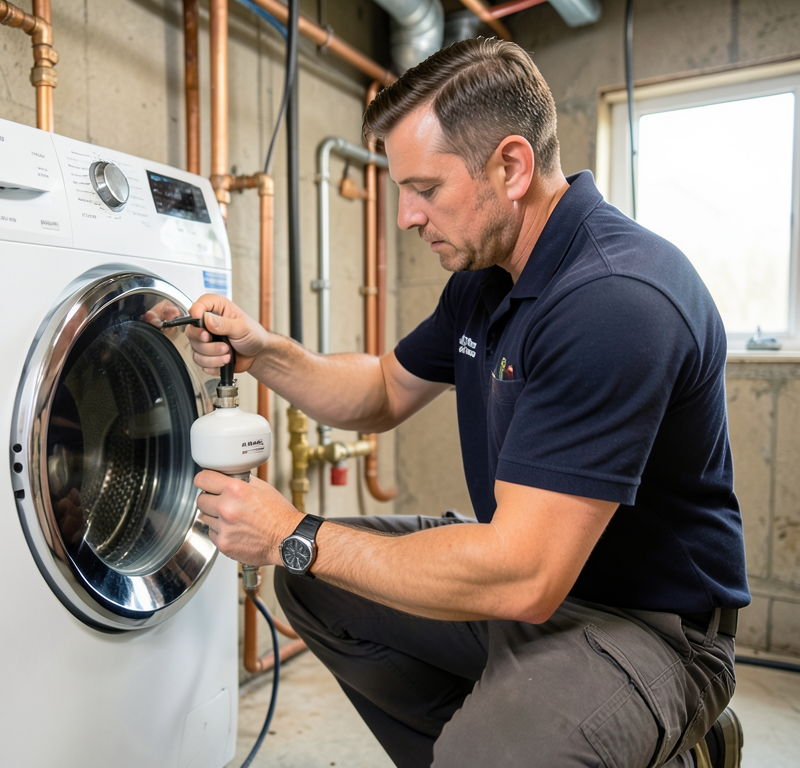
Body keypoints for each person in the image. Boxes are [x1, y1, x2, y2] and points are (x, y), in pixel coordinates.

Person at [186, 37, 748, 768]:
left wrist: (296, 530)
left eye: (424, 189)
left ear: (510, 166)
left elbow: (524, 575)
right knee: (317, 587)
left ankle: (666, 742)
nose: (405, 218)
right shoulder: (486, 280)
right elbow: (382, 390)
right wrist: (266, 351)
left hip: (645, 623)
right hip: (532, 582)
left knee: (316, 559)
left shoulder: (615, 299)